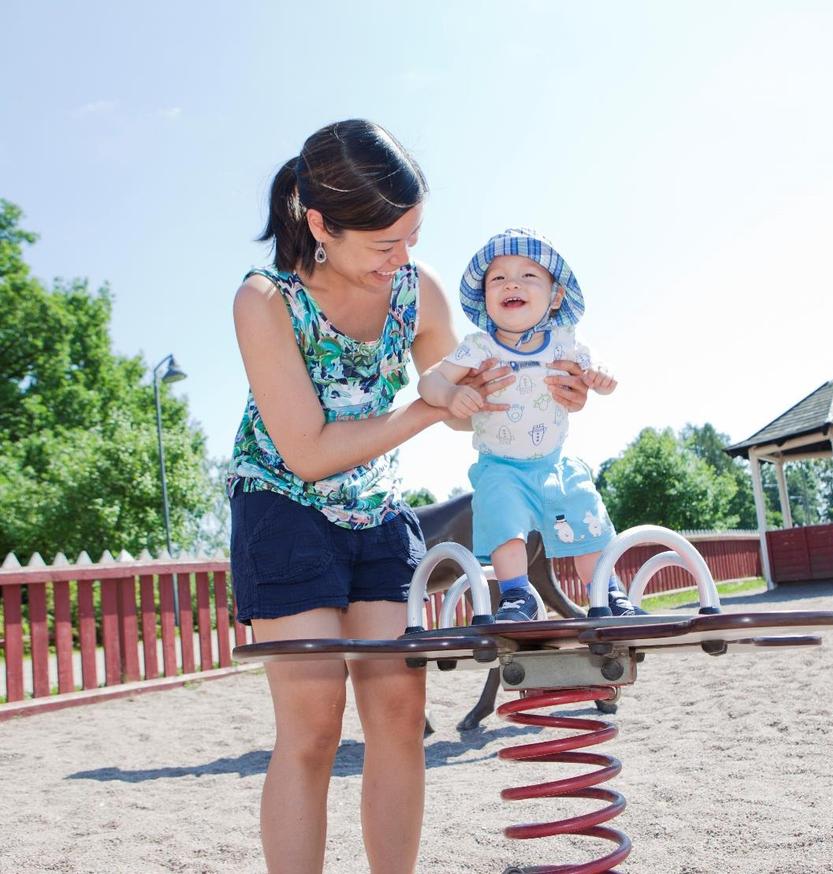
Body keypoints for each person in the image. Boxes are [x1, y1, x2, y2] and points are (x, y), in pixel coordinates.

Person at [226, 122, 591, 874]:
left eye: (413, 236)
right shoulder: (266, 302)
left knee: (397, 713)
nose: (403, 257)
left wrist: (542, 385)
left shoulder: (416, 290)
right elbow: (311, 450)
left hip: (378, 516)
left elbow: (463, 376)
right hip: (283, 509)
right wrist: (429, 407)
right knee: (314, 724)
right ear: (322, 225)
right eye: (384, 243)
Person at [418, 228, 645, 622]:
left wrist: (603, 378)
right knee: (504, 524)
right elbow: (429, 379)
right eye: (498, 278)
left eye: (528, 276)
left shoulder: (563, 342)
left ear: (555, 296)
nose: (512, 284)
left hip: (555, 463)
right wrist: (451, 395)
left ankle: (606, 593)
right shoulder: (479, 347)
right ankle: (516, 594)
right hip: (502, 465)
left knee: (588, 521)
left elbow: (596, 371)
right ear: (485, 298)